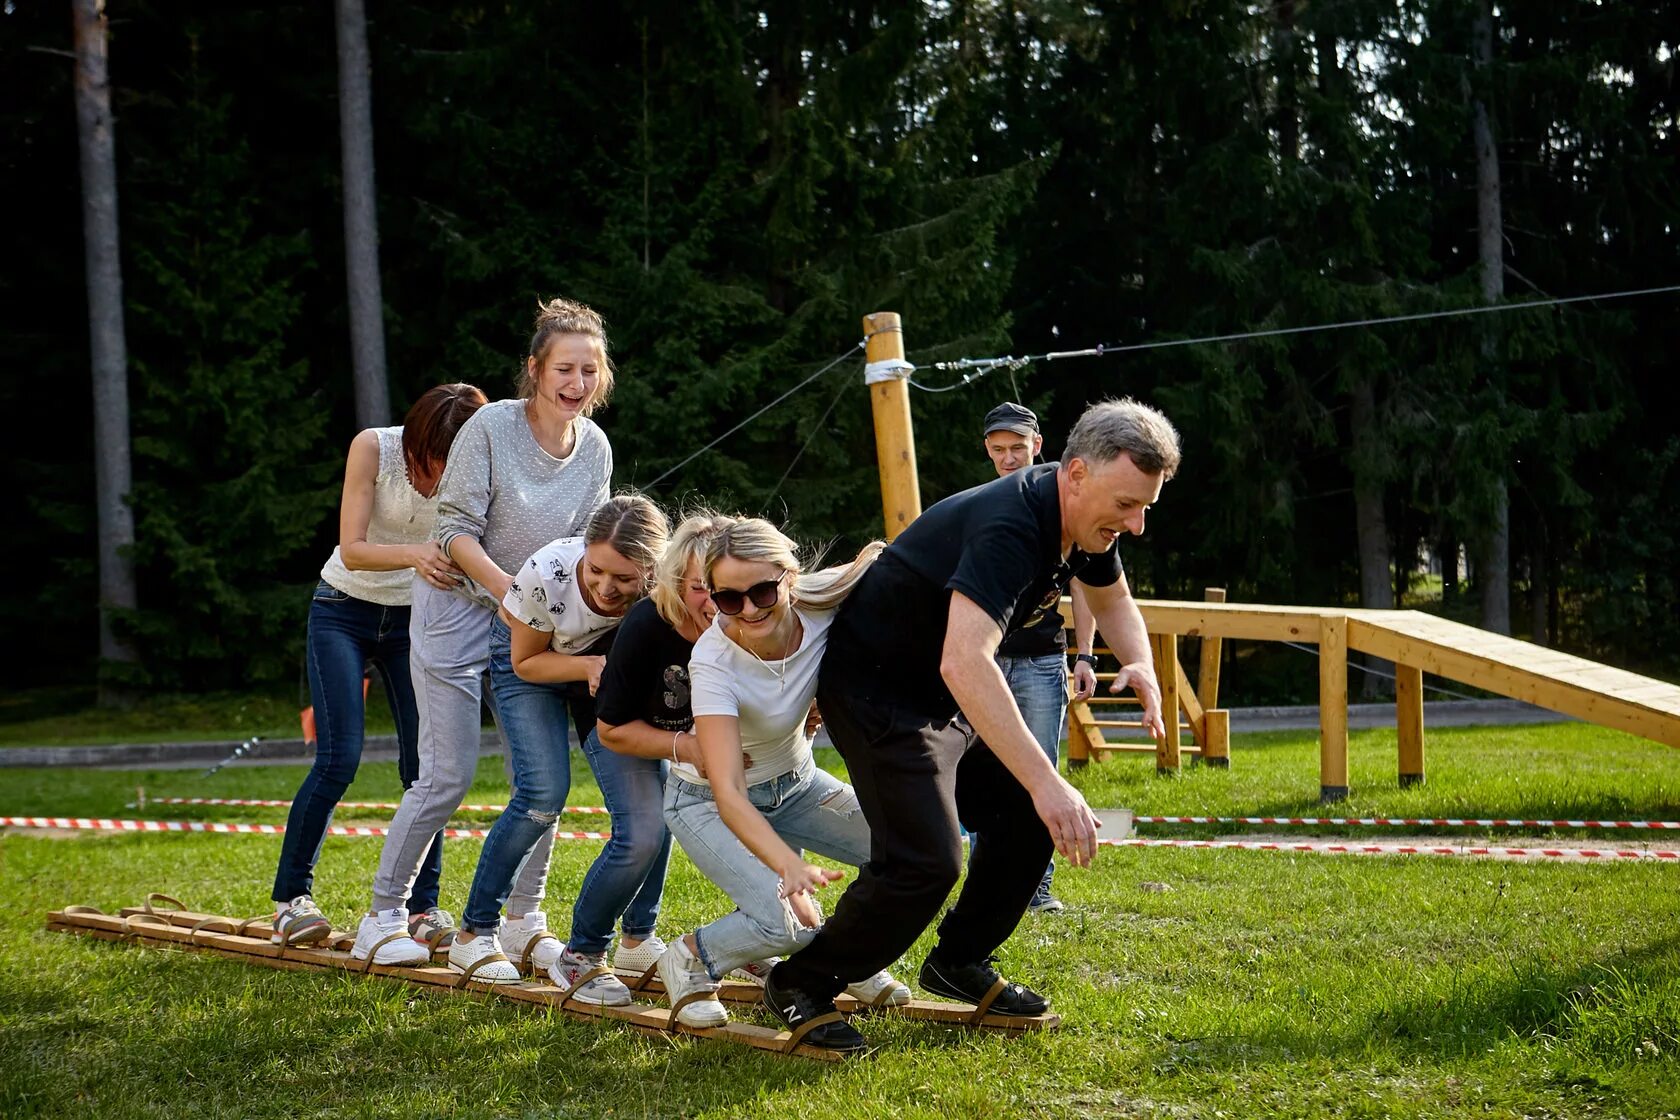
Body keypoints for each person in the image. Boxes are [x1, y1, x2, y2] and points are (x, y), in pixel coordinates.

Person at [765, 398, 1181, 1051]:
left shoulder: (1087, 522)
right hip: (876, 691)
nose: (1138, 523)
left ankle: (956, 960)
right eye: (1127, 504)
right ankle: (802, 983)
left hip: (934, 691)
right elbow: (966, 659)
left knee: (1023, 812)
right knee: (926, 860)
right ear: (1075, 474)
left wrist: (1142, 666)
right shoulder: (1012, 527)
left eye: (1147, 507)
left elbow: (1111, 596)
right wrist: (1050, 782)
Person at [352, 298, 615, 969]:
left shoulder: (596, 448)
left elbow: (584, 546)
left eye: (589, 370)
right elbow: (452, 531)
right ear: (535, 370)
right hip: (459, 610)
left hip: (538, 626)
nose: (576, 383)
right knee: (446, 777)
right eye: (564, 368)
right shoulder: (492, 427)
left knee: (543, 778)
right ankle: (382, 917)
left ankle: (526, 918)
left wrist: (563, 614)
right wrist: (512, 592)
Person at [652, 518, 909, 1037]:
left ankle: (844, 958)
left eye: (763, 591)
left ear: (789, 577)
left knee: (906, 852)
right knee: (785, 924)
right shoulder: (712, 661)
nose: (748, 610)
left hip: (797, 784)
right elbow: (727, 791)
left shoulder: (820, 599)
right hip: (706, 802)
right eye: (728, 599)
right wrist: (787, 864)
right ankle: (689, 958)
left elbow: (887, 561)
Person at [270, 383, 487, 947]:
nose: (438, 474)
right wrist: (417, 554)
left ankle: (423, 909)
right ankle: (291, 899)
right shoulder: (374, 447)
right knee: (339, 757)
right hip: (344, 608)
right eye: (431, 458)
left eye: (450, 460)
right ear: (415, 440)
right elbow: (352, 549)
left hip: (416, 619)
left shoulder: (477, 463)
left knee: (428, 768)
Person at [445, 495, 670, 994]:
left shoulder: (668, 586)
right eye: (596, 570)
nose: (606, 587)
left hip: (609, 672)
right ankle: (474, 933)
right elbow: (526, 663)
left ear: (651, 572)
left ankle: (637, 941)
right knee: (543, 794)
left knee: (652, 808)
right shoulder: (548, 571)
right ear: (583, 553)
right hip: (531, 664)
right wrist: (587, 666)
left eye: (624, 580)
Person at [979, 402, 1098, 914]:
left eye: (1017, 448)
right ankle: (986, 884)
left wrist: (1087, 655)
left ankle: (1036, 888)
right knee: (983, 776)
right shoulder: (982, 505)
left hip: (1042, 662)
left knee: (1042, 772)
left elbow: (1093, 587)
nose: (1008, 458)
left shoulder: (1066, 506)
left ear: (1038, 445)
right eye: (997, 449)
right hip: (982, 663)